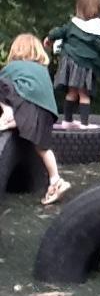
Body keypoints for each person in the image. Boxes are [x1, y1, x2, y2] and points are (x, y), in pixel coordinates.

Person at [0, 34, 71, 205]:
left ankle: (10, 115)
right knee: (43, 148)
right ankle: (56, 180)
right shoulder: (42, 70)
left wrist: (7, 108)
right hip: (46, 114)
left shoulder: (14, 67)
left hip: (26, 109)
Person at [45, 0, 100, 128]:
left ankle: (67, 121)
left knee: (72, 92)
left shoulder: (72, 25)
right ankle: (84, 123)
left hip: (68, 62)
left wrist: (49, 38)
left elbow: (59, 31)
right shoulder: (95, 29)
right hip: (84, 65)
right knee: (84, 94)